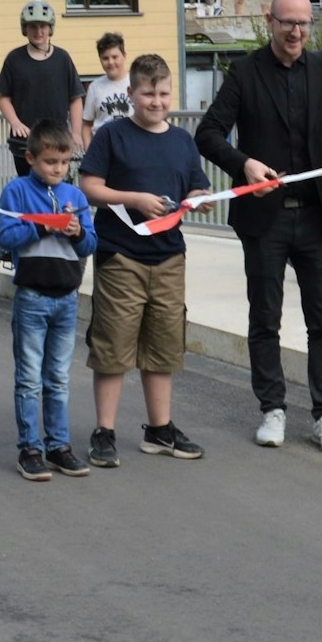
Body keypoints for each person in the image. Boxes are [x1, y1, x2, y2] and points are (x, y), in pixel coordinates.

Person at [196, 0, 322, 455]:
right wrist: (244, 164)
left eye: (304, 24)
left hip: (318, 216)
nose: (296, 32)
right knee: (265, 318)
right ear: (270, 22)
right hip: (265, 219)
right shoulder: (244, 72)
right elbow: (207, 133)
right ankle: (272, 408)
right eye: (288, 23)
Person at [79, 53, 213, 466]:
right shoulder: (112, 136)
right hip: (121, 255)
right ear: (131, 94)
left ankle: (160, 429)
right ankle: (104, 431)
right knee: (114, 345)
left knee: (164, 345)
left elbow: (197, 187)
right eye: (148, 93)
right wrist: (134, 199)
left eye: (164, 93)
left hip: (170, 257)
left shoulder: (182, 140)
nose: (157, 101)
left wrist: (198, 200)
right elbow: (89, 186)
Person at [0, 120, 97, 481]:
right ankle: (30, 448)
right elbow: (6, 237)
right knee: (29, 379)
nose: (58, 169)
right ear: (30, 158)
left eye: (64, 162)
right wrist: (44, 225)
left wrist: (77, 231)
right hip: (32, 297)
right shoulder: (16, 191)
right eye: (50, 162)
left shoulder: (77, 197)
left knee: (58, 377)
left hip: (66, 299)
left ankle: (59, 445)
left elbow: (90, 245)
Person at [0, 0, 82, 177]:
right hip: (24, 143)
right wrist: (15, 122)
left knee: (58, 194)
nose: (38, 31)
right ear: (24, 28)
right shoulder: (14, 59)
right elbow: (4, 98)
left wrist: (75, 132)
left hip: (57, 141)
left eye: (42, 26)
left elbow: (75, 98)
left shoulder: (62, 58)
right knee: (28, 192)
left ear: (50, 28)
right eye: (32, 26)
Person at [79, 32, 133, 148]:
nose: (110, 62)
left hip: (132, 146)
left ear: (124, 56)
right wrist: (90, 153)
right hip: (104, 148)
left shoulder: (136, 82)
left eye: (115, 57)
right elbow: (87, 125)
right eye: (105, 58)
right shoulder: (94, 87)